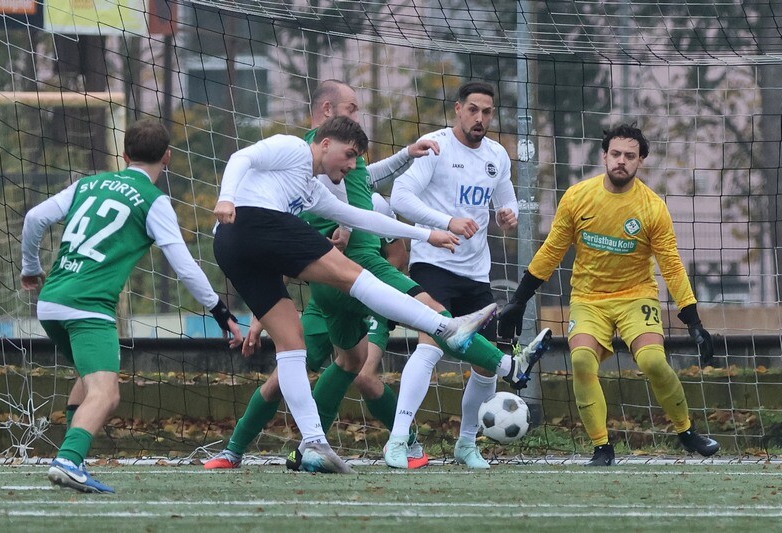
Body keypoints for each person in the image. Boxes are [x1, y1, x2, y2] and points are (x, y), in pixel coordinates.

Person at [204, 81, 538, 473]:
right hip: (252, 221)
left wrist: (425, 233)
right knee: (353, 275)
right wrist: (226, 197)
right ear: (325, 141)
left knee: (293, 346)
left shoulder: (314, 192)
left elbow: (365, 217)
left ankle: (312, 443)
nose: (351, 166)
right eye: (348, 156)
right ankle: (448, 329)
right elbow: (242, 156)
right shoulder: (294, 148)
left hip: (232, 249)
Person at [20, 118, 243, 494]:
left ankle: (73, 458)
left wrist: (30, 267)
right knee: (107, 394)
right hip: (89, 308)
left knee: (89, 380)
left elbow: (34, 217)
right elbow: (185, 267)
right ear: (167, 157)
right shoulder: (154, 201)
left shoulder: (88, 184)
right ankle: (69, 461)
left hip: (52, 303)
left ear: (124, 155)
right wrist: (220, 312)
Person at [498, 123, 719, 466]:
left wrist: (693, 321)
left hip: (636, 296)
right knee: (582, 362)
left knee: (653, 361)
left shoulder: (652, 207)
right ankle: (602, 447)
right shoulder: (577, 197)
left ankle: (686, 432)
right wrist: (518, 300)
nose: (621, 161)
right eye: (615, 154)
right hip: (589, 299)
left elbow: (672, 266)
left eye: (630, 156)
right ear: (604, 156)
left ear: (640, 161)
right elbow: (551, 251)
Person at [384, 81, 552, 469]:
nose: (480, 118)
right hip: (432, 264)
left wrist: (508, 213)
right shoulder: (435, 147)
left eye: (487, 112)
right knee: (429, 346)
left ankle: (466, 444)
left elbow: (506, 199)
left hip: (476, 273)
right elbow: (400, 197)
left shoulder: (497, 155)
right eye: (473, 109)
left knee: (485, 363)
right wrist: (447, 222)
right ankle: (397, 440)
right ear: (458, 109)